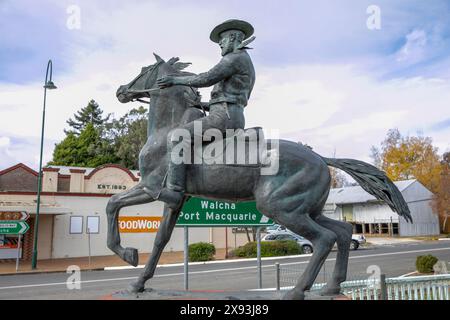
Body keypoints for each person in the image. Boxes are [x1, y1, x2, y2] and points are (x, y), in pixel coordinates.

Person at [156, 19, 256, 209]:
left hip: (224, 118)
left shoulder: (234, 58)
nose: (220, 43)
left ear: (234, 38)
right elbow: (228, 99)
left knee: (177, 136)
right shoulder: (243, 60)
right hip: (229, 113)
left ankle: (174, 191)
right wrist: (201, 104)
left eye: (223, 39)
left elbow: (205, 78)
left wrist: (175, 80)